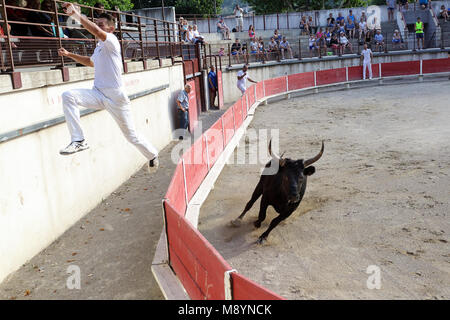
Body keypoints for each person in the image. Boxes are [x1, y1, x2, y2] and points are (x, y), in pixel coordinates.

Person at [57, 3, 159, 172]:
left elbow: (96, 31)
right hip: (98, 93)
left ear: (111, 29)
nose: (98, 25)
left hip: (116, 98)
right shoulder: (99, 48)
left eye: (102, 24)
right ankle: (79, 140)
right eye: (97, 22)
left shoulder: (111, 40)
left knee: (130, 136)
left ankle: (152, 155)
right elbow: (90, 62)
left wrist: (75, 15)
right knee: (68, 95)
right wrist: (69, 55)